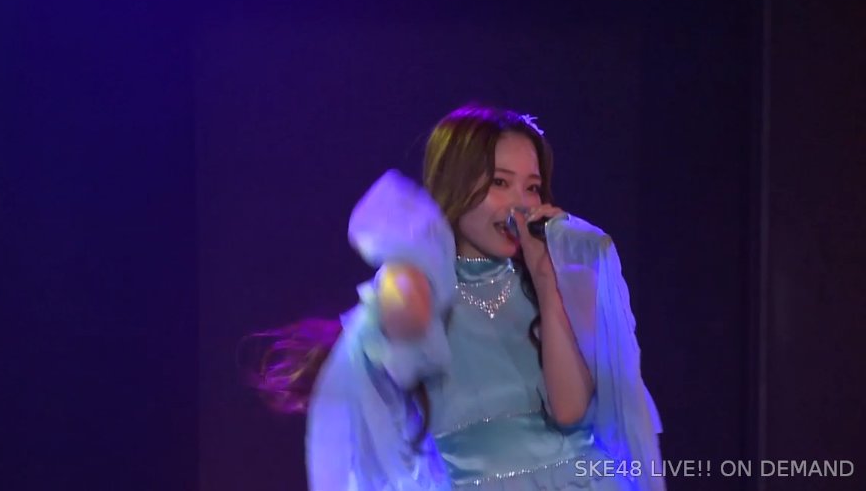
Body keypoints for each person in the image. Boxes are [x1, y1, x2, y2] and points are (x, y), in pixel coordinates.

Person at [253, 103, 665, 490]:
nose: (521, 204)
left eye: (533, 187)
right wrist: (408, 275)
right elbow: (404, 322)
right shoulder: (419, 284)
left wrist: (546, 282)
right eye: (500, 183)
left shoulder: (561, 281)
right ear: (457, 182)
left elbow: (571, 411)